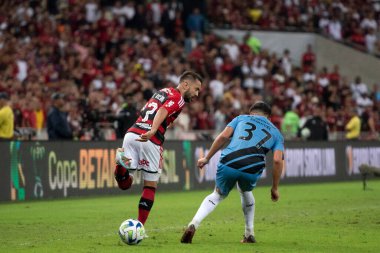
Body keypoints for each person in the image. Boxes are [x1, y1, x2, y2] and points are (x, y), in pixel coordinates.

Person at [181, 101, 284, 244]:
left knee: (217, 194)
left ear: (251, 113)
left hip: (229, 160)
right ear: (269, 117)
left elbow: (223, 137)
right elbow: (278, 161)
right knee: (246, 191)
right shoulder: (276, 132)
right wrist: (275, 188)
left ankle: (194, 223)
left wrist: (207, 158)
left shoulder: (241, 118)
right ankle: (249, 233)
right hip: (253, 166)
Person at [114, 71, 203, 226]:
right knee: (150, 186)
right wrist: (154, 129)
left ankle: (121, 166)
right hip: (150, 139)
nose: (196, 94)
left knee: (124, 184)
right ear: (185, 84)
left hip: (132, 133)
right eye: (196, 89)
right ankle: (139, 226)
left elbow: (146, 110)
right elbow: (162, 111)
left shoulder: (162, 91)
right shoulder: (178, 98)